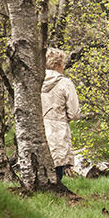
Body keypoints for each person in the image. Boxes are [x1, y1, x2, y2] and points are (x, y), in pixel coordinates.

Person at [41, 48, 82, 181]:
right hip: (58, 132)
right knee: (57, 171)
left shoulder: (35, 82)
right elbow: (74, 113)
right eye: (63, 64)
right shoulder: (65, 83)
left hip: (37, 130)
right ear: (58, 65)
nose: (64, 67)